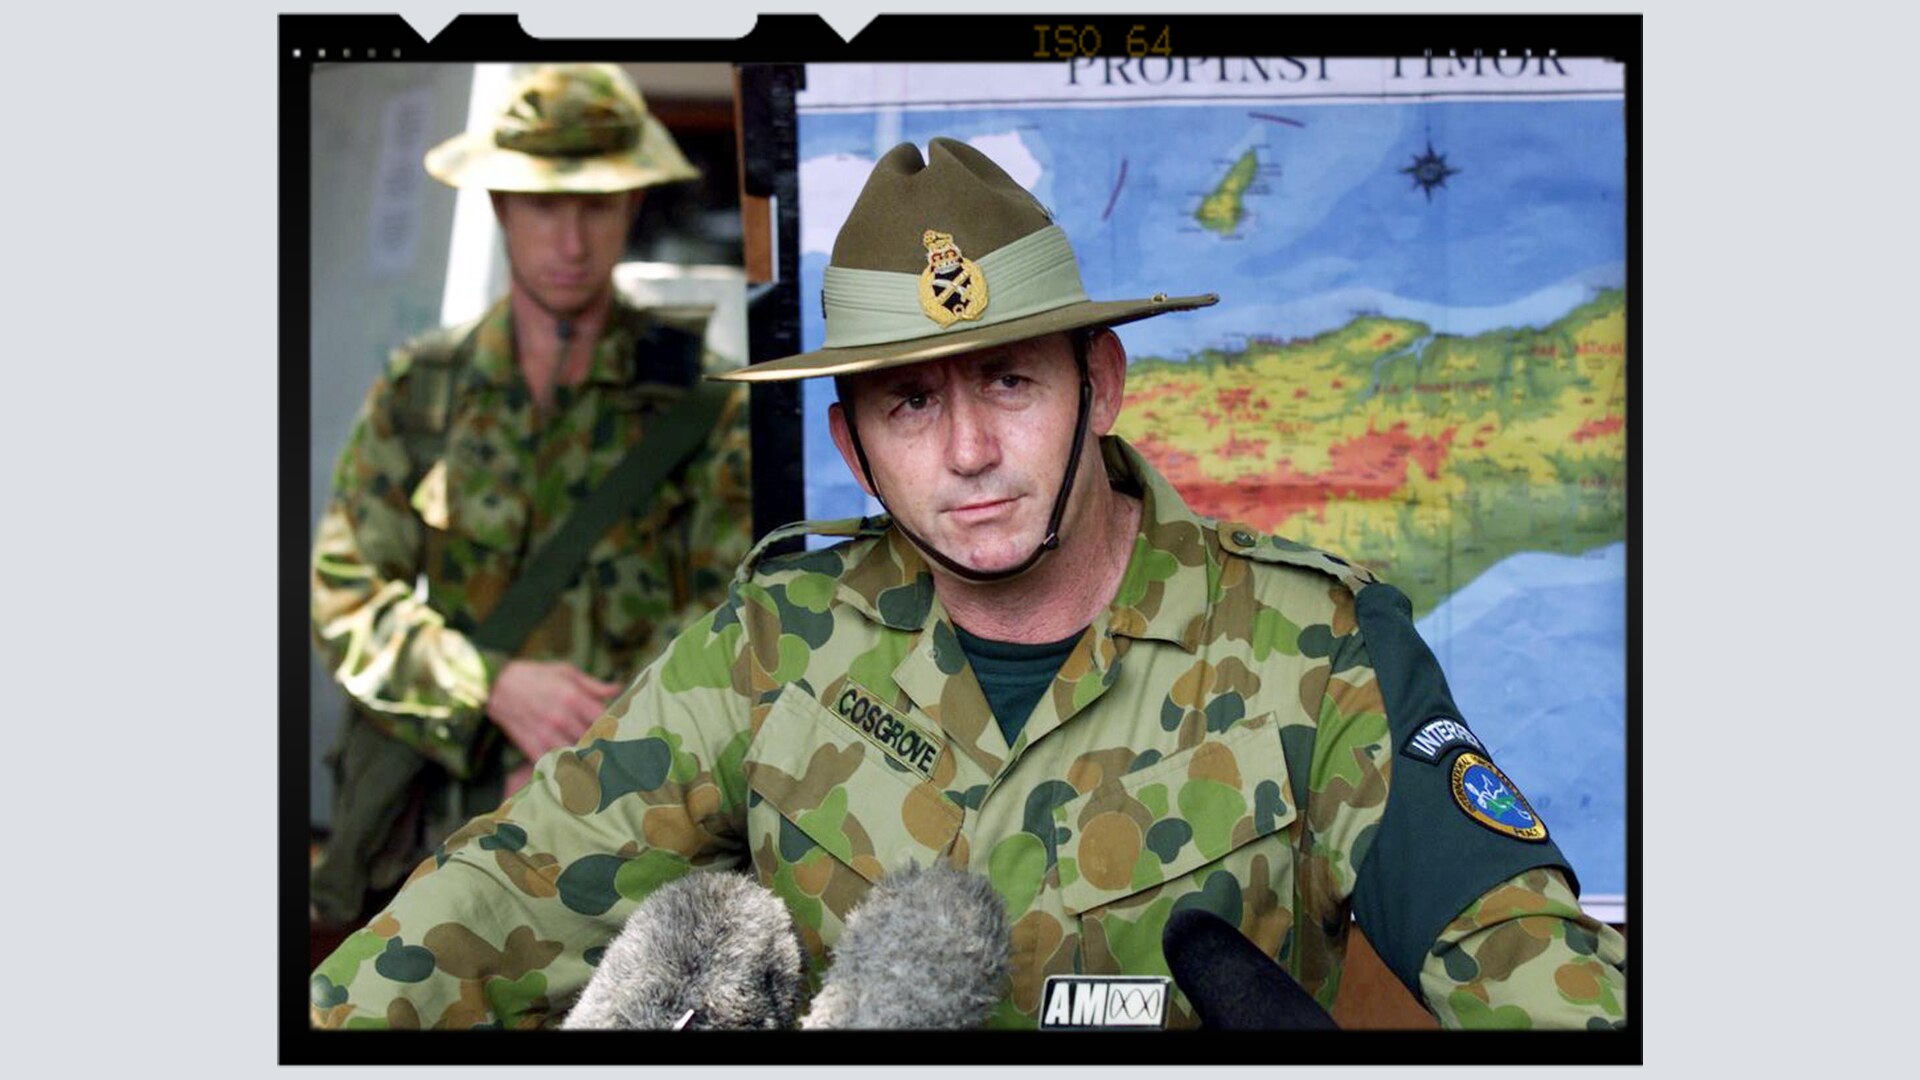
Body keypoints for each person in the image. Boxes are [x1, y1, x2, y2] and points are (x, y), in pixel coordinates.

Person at [310, 138, 1626, 1030]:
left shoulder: (1323, 650)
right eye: (910, 402)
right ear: (852, 447)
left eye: (1009, 381)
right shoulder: (774, 648)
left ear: (1099, 386)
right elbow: (505, 891)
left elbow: (1538, 968)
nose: (972, 452)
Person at [308, 64, 753, 929]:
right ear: (501, 208)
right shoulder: (421, 390)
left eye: (595, 205)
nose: (571, 239)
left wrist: (585, 762)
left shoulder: (703, 404)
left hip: (622, 838)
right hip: (425, 837)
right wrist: (491, 683)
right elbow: (346, 595)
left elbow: (729, 621)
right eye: (544, 205)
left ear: (631, 206)